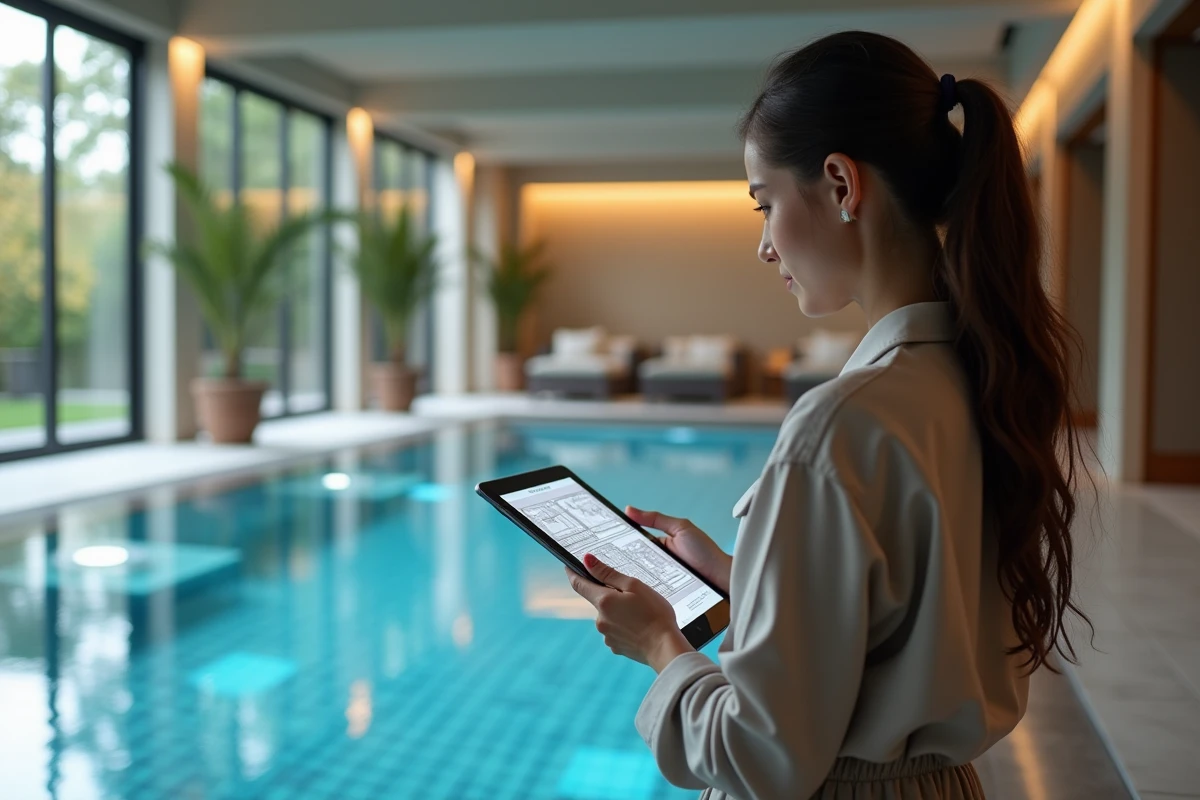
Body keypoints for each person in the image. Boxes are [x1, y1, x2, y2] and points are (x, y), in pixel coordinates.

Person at [565, 30, 1091, 800]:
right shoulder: (983, 381)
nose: (764, 246)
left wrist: (659, 645)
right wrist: (746, 577)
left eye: (765, 204)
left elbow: (760, 755)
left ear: (842, 184)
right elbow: (910, 626)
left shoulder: (840, 426)